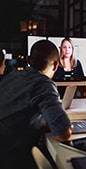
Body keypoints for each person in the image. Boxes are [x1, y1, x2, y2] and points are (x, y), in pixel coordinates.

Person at [0, 40, 73, 169]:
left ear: (28, 60)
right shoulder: (43, 84)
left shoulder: (13, 76)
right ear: (56, 65)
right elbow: (63, 134)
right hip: (13, 159)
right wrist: (67, 127)